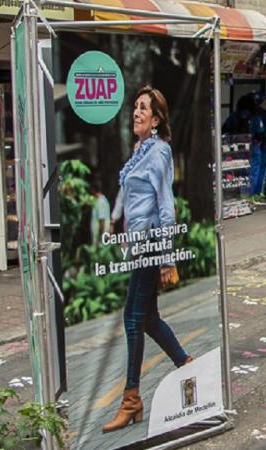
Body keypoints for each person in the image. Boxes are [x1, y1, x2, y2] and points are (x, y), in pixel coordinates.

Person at [104, 86, 193, 433]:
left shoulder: (159, 152)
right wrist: (113, 224)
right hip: (135, 243)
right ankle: (186, 365)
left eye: (144, 109)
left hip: (151, 243)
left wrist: (168, 257)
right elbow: (125, 192)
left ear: (156, 119)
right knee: (149, 319)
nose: (136, 113)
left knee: (132, 319)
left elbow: (166, 207)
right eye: (136, 107)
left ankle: (131, 400)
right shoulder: (139, 151)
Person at [249, 92, 266, 204]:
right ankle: (257, 194)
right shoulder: (264, 114)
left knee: (252, 169)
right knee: (261, 170)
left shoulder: (249, 113)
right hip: (261, 145)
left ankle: (250, 195)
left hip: (249, 144)